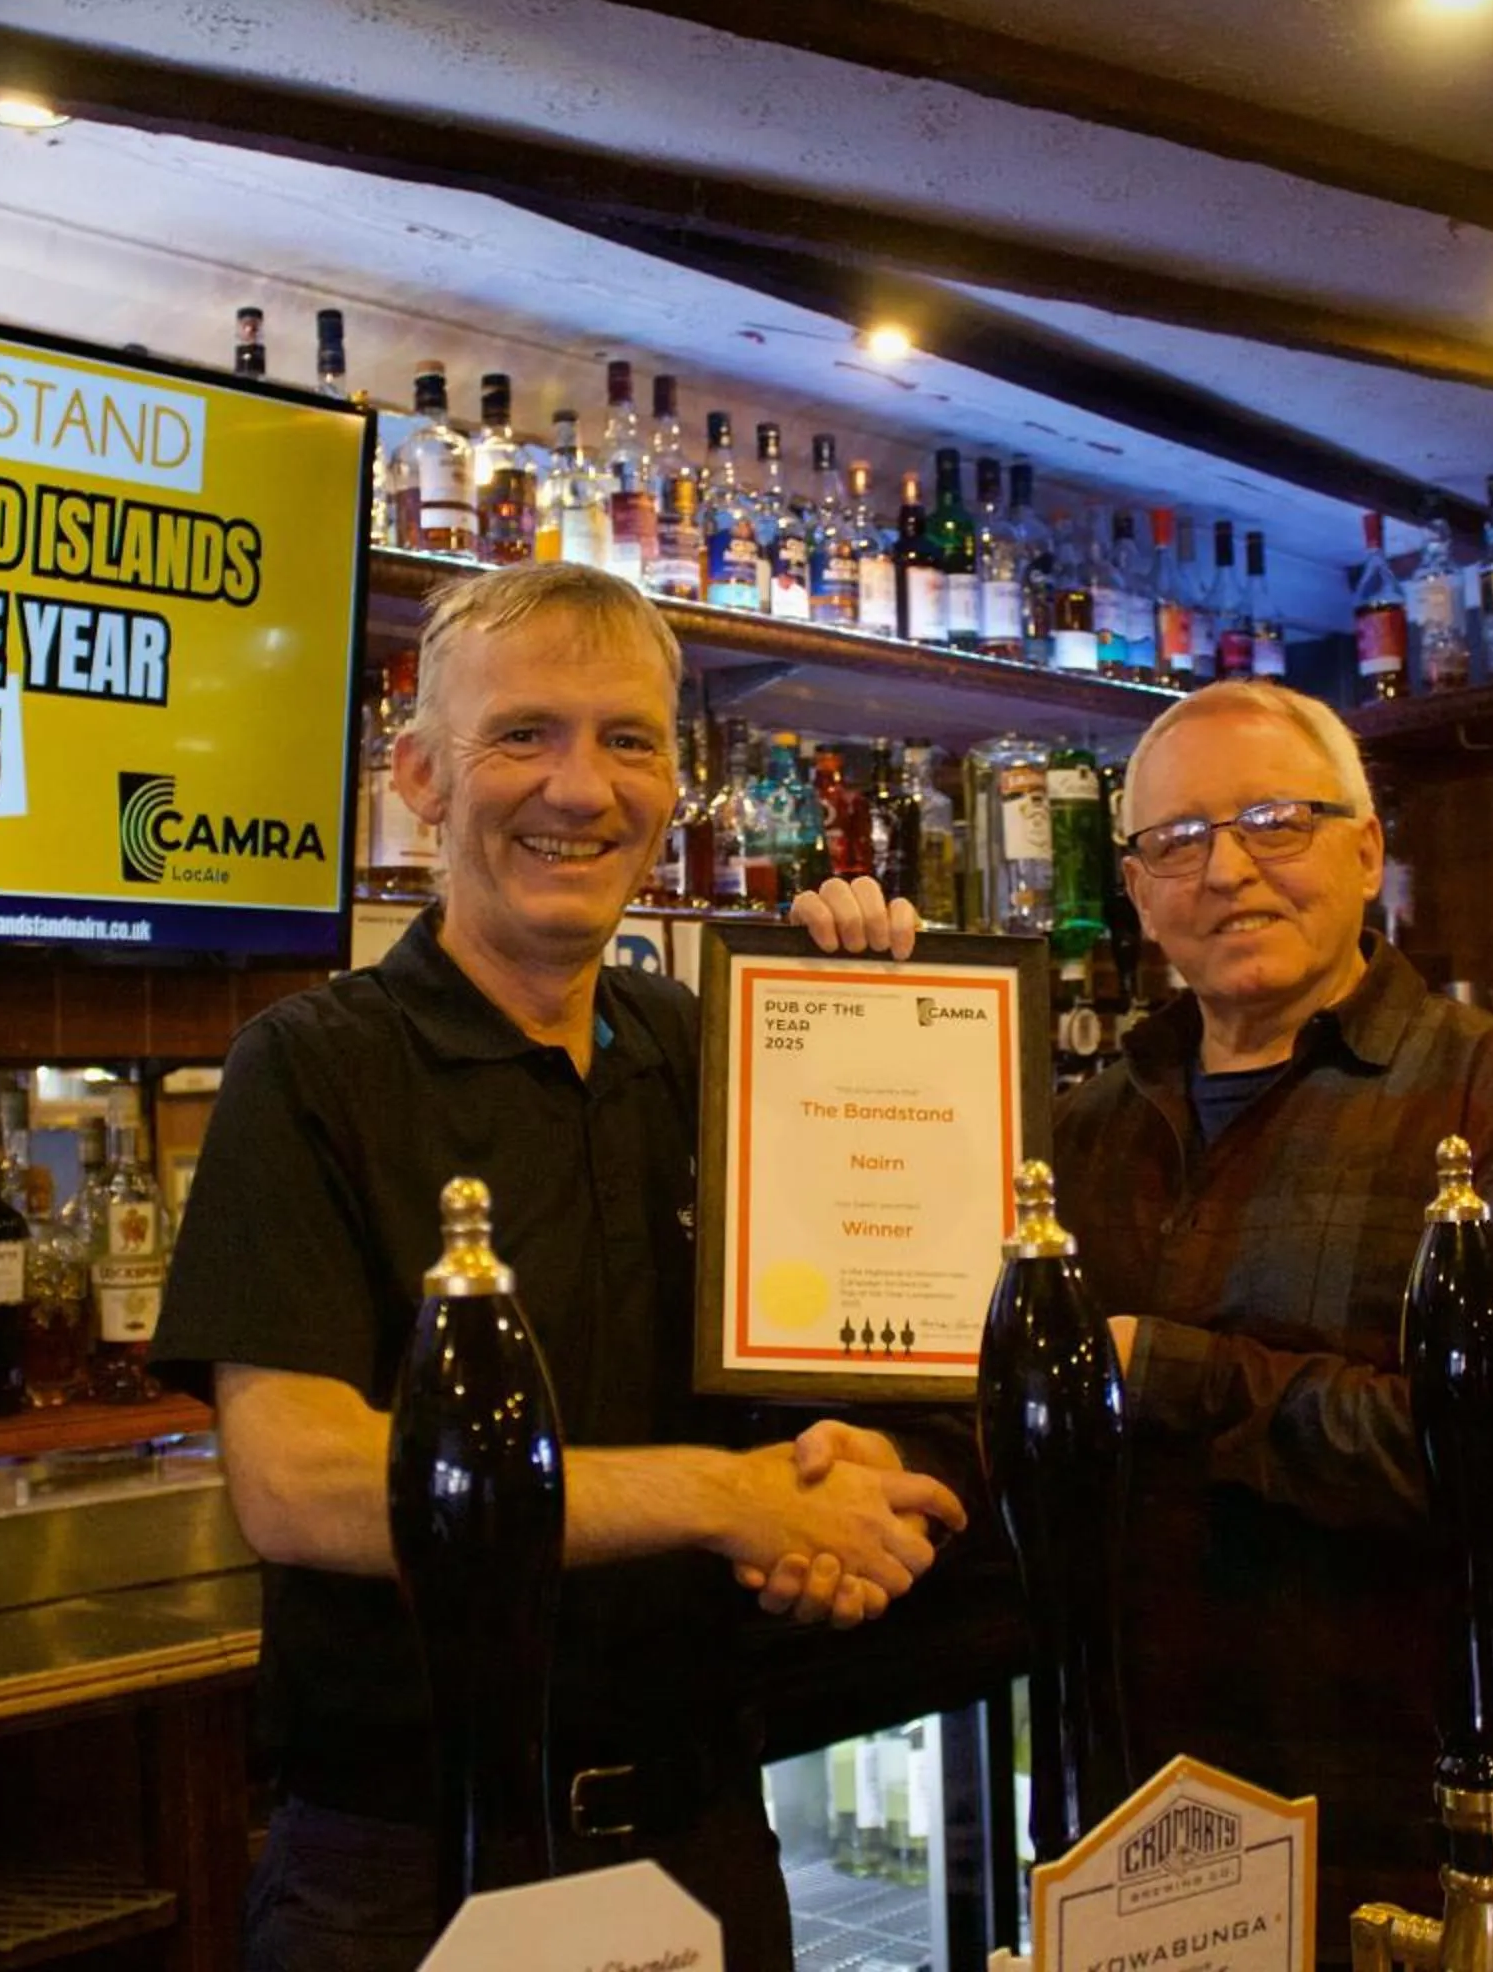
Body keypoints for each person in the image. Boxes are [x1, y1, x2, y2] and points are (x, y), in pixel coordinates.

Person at [152, 561, 966, 1972]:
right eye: (523, 734)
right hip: (409, 1873)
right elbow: (300, 1482)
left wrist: (880, 1016)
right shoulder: (311, 1067)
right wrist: (728, 1501)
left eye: (628, 738)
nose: (580, 789)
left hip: (705, 1838)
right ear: (418, 775)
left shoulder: (721, 1048)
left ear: (674, 782)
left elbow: (877, 1348)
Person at [802, 677, 1493, 1934]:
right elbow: (993, 1407)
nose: (1227, 867)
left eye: (1275, 820)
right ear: (1135, 889)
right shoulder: (1075, 1126)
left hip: (1409, 1825)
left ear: (1365, 848)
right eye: (1177, 840)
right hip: (1125, 1806)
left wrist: (1169, 1373)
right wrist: (887, 1453)